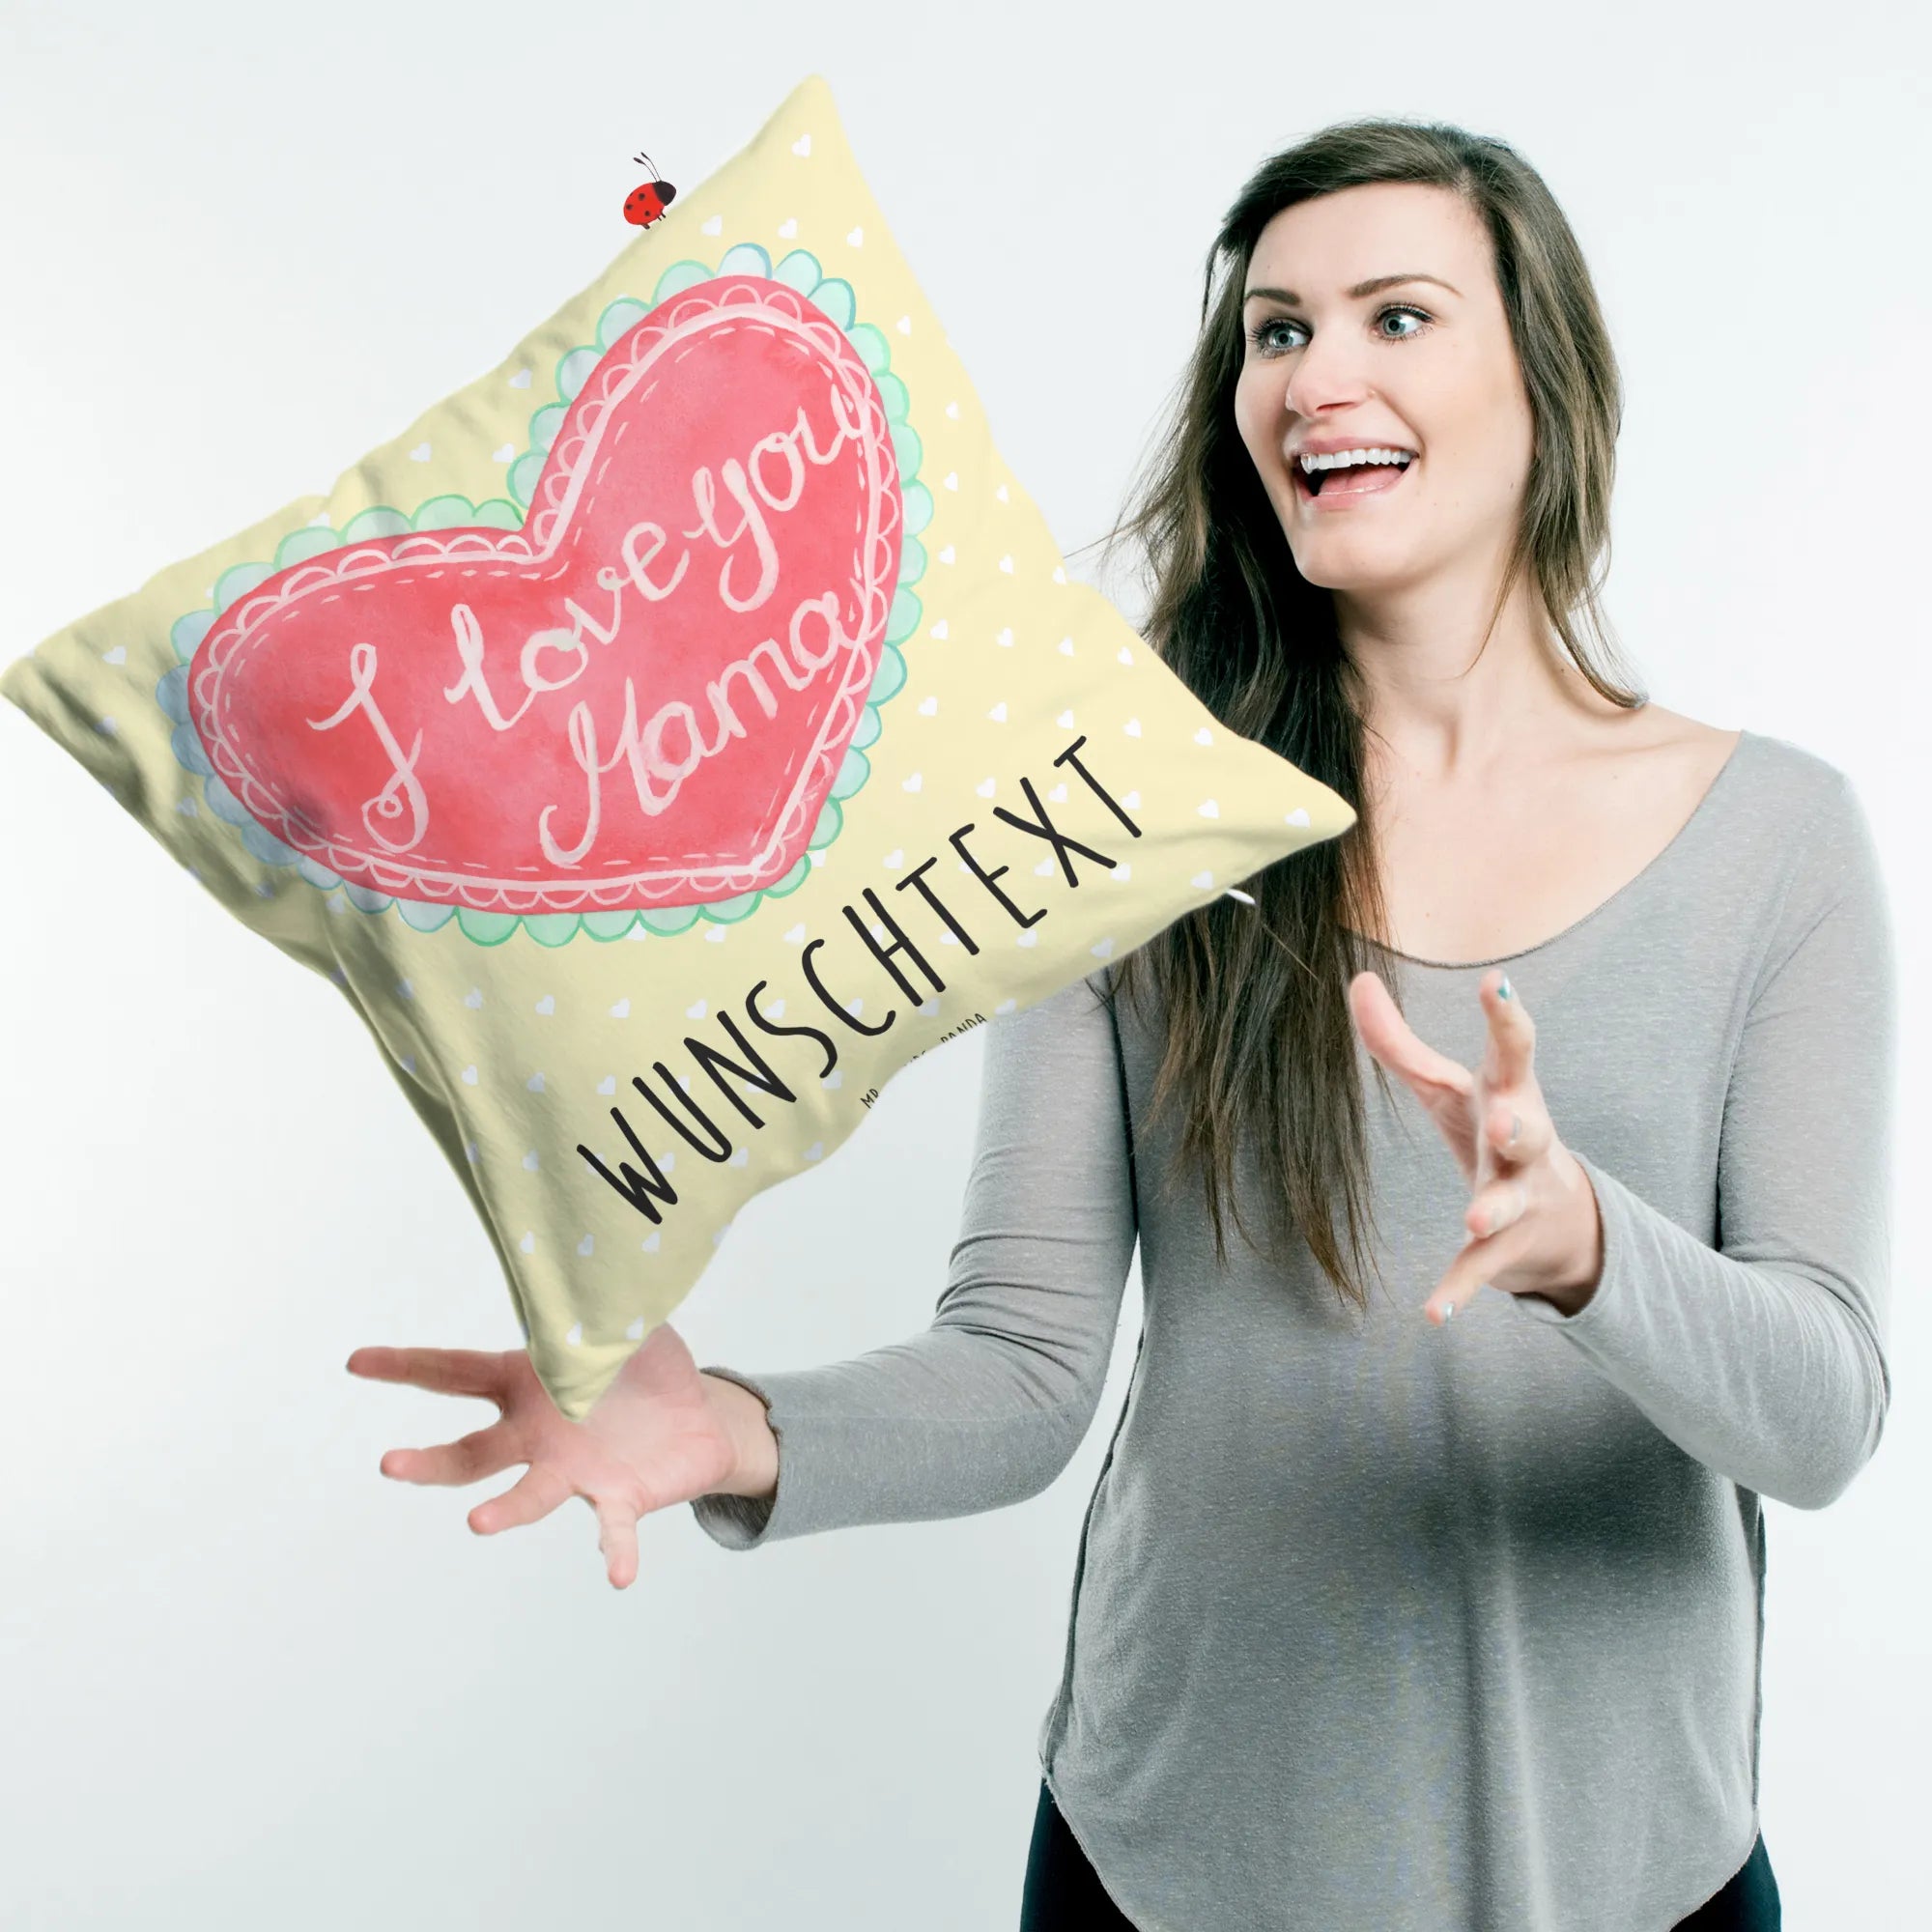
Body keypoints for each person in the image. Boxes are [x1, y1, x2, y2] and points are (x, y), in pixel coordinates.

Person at [346, 117, 1894, 1930]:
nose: (1315, 375)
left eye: (1397, 316)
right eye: (1277, 330)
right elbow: (1022, 1364)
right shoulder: (1131, 819)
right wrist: (733, 1429)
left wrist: (1591, 1251)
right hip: (1173, 1866)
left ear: (1547, 383)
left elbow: (1823, 1418)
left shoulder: (1776, 842)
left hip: (1638, 1875)